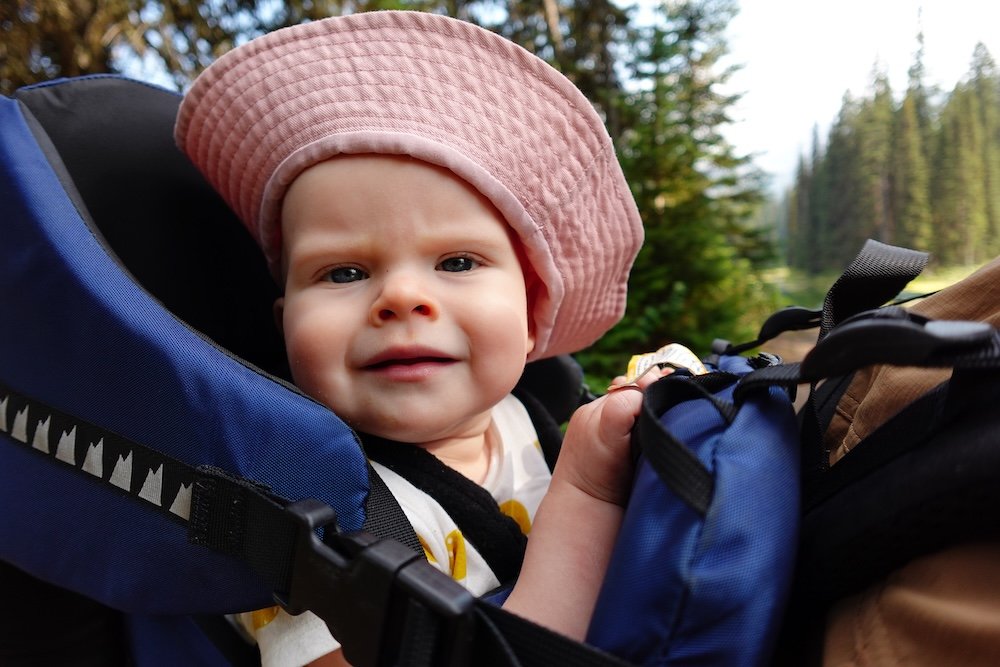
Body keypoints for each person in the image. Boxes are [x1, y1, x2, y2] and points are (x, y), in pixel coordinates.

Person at [175, 10, 649, 666]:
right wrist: (590, 494)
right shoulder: (306, 527)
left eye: (457, 262)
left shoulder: (527, 422)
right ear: (285, 322)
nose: (400, 297)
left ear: (533, 310)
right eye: (344, 272)